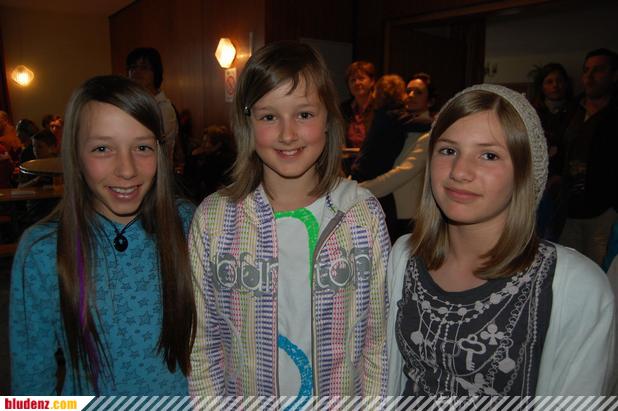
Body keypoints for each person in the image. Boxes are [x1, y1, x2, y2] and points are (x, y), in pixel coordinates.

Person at [189, 41, 390, 398]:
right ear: (247, 123)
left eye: (304, 114)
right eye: (269, 117)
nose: (287, 134)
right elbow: (203, 345)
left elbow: (377, 343)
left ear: (328, 119)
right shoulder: (214, 220)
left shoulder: (363, 215)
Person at [387, 84, 614, 396]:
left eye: (489, 155)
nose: (460, 171)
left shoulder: (575, 285)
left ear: (524, 172)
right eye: (448, 150)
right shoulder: (404, 256)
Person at [10, 75, 196, 395]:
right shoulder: (42, 250)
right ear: (75, 155)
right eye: (102, 148)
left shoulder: (190, 223)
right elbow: (30, 383)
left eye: (142, 147)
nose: (127, 169)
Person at [558, 48, 618, 265]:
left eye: (598, 70)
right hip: (568, 209)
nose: (590, 76)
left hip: (604, 210)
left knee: (600, 269)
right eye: (586, 70)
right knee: (567, 266)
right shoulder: (572, 111)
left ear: (614, 75)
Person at [360, 73, 436, 241]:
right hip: (385, 207)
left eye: (418, 92)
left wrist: (361, 189)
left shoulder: (430, 133)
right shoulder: (397, 123)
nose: (411, 95)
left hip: (406, 213)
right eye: (408, 91)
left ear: (430, 101)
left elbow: (403, 172)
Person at [528, 63, 574, 240]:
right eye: (549, 81)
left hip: (567, 183)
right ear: (541, 86)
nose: (555, 85)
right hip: (536, 181)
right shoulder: (532, 113)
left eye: (559, 81)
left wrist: (561, 176)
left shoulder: (576, 111)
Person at [126, 47, 179, 164]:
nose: (136, 72)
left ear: (156, 72)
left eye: (144, 68)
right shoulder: (131, 103)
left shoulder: (163, 108)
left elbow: (155, 147)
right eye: (133, 67)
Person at [340, 61, 376, 149]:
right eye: (353, 80)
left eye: (361, 78)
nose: (357, 83)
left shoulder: (380, 107)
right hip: (348, 156)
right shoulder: (343, 109)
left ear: (372, 81)